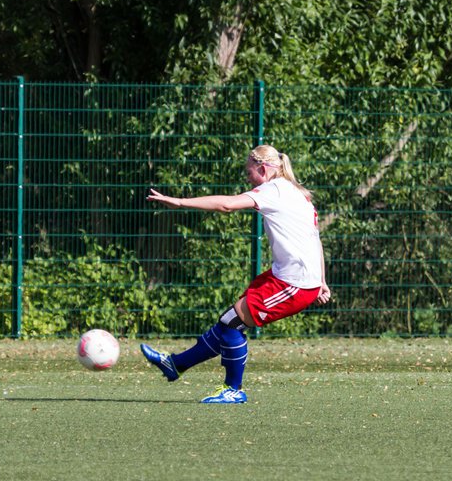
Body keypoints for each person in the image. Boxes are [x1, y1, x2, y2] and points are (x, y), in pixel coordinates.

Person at [140, 144, 330, 403]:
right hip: (285, 277)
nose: (248, 178)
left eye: (249, 172)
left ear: (262, 169)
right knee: (228, 322)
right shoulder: (297, 193)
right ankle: (175, 365)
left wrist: (179, 201)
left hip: (294, 283)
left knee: (231, 323)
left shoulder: (273, 189)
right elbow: (314, 238)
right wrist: (322, 281)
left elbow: (227, 205)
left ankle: (233, 389)